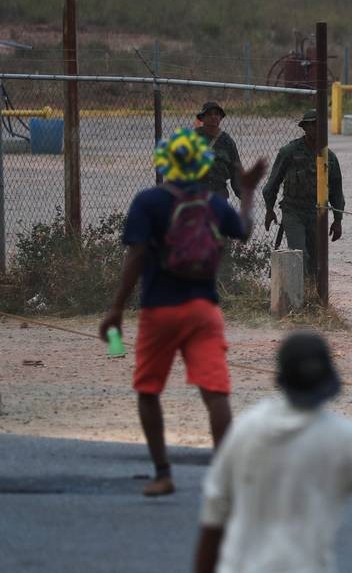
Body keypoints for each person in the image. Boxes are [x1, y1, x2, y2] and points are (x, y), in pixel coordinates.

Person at [98, 128, 266, 497]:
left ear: (165, 164)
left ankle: (163, 474)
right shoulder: (213, 203)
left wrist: (116, 308)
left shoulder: (149, 202)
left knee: (148, 391)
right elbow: (244, 231)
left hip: (159, 310)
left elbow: (136, 255)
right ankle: (225, 479)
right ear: (202, 165)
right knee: (215, 393)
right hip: (204, 310)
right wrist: (248, 190)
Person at [194, 331, 352, 573]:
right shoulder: (345, 438)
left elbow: (214, 513)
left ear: (281, 378)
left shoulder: (247, 428)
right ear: (329, 379)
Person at [262, 109, 345, 275]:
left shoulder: (329, 157)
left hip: (318, 213)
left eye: (320, 125)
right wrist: (270, 210)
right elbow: (272, 184)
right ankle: (299, 288)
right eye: (313, 125)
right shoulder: (289, 152)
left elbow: (336, 191)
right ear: (305, 128)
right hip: (293, 211)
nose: (317, 129)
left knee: (317, 260)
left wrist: (338, 220)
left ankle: (312, 289)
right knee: (299, 255)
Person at [196, 101, 244, 201]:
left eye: (217, 114)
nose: (213, 117)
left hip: (219, 193)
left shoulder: (227, 141)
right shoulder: (192, 138)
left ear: (221, 118)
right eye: (209, 114)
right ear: (202, 118)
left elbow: (236, 171)